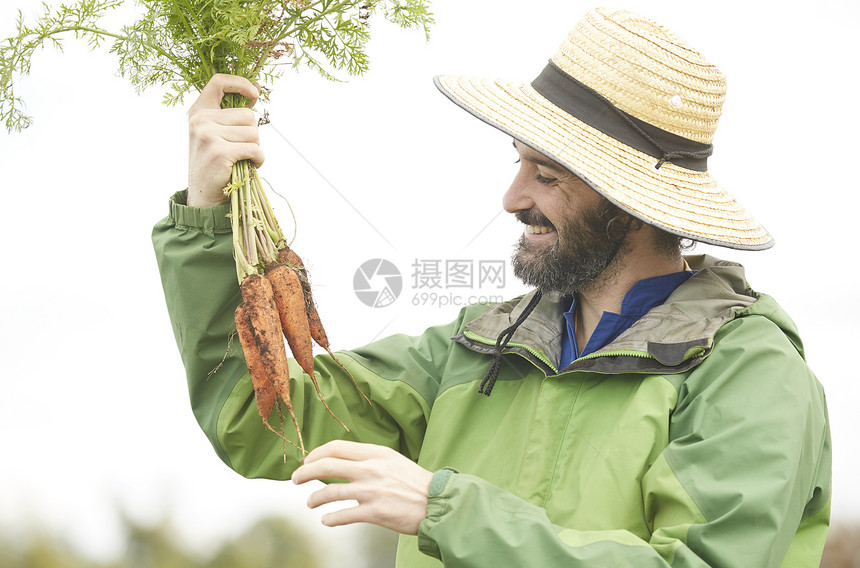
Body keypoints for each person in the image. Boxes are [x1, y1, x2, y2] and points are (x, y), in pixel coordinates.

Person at [153, 7, 831, 567]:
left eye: (548, 174)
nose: (512, 198)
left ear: (630, 201)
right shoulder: (473, 349)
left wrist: (445, 510)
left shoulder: (750, 374)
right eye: (519, 164)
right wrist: (210, 217)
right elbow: (259, 417)